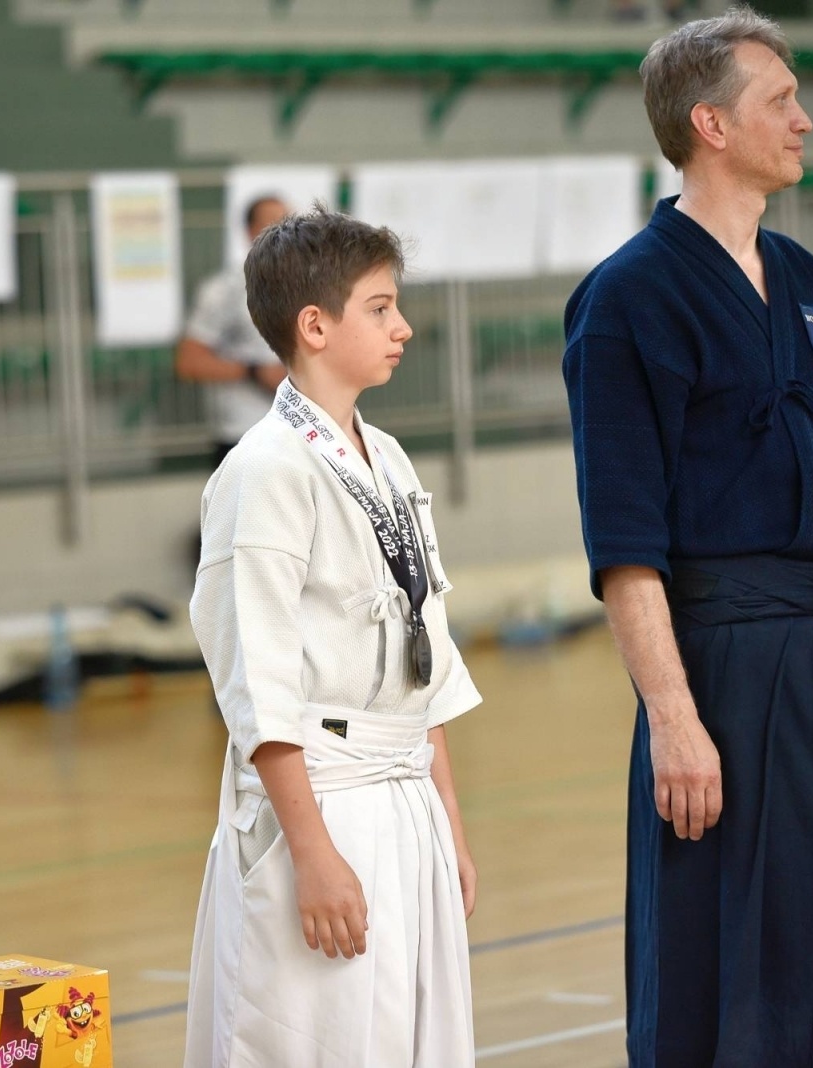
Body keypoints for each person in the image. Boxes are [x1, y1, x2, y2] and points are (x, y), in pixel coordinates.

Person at [563, 7, 813, 1064]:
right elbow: (625, 544)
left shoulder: (808, 281)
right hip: (726, 665)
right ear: (710, 125)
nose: (807, 120)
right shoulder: (625, 300)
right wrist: (674, 720)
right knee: (748, 960)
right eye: (781, 100)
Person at [183, 207, 481, 1066]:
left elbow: (428, 653)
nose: (404, 326)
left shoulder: (387, 456)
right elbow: (260, 687)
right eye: (381, 308)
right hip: (319, 801)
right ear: (315, 326)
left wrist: (449, 823)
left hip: (405, 794)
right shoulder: (264, 470)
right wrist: (312, 857)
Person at [176, 195, 290, 468]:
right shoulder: (225, 289)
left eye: (288, 224)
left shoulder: (309, 287)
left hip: (299, 430)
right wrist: (255, 372)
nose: (282, 233)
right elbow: (188, 362)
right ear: (250, 231)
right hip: (243, 433)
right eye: (271, 224)